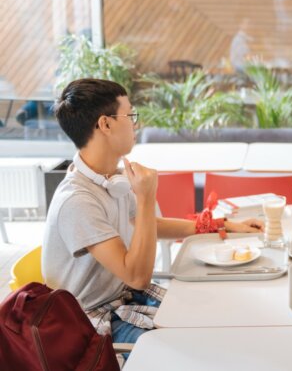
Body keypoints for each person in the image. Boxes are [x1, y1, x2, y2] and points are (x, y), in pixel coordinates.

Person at [42, 78, 263, 344]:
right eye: (130, 115)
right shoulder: (78, 201)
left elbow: (150, 226)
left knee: (225, 316)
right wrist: (145, 197)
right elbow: (137, 276)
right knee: (202, 344)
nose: (136, 123)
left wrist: (219, 225)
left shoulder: (111, 178)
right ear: (106, 124)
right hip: (93, 321)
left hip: (124, 300)